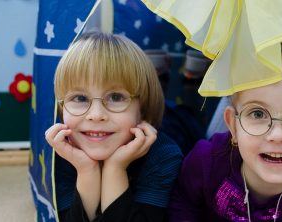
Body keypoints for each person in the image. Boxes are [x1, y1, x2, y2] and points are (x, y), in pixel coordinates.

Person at [166, 30, 282, 221]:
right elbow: (182, 206)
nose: (277, 135)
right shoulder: (206, 160)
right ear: (232, 124)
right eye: (258, 114)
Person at [45, 32, 183, 222]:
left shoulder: (164, 157)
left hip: (179, 127)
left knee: (186, 118)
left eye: (116, 97)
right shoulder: (59, 154)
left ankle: (171, 79)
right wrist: (87, 170)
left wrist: (115, 169)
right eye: (80, 98)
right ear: (61, 108)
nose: (96, 115)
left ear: (142, 110)